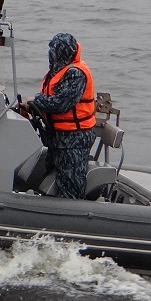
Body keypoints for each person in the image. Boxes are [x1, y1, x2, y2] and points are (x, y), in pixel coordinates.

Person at [24, 32, 97, 199]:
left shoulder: (76, 74)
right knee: (50, 173)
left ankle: (73, 214)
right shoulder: (59, 70)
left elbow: (60, 104)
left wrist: (35, 100)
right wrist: (29, 106)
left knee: (71, 183)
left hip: (74, 139)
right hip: (58, 136)